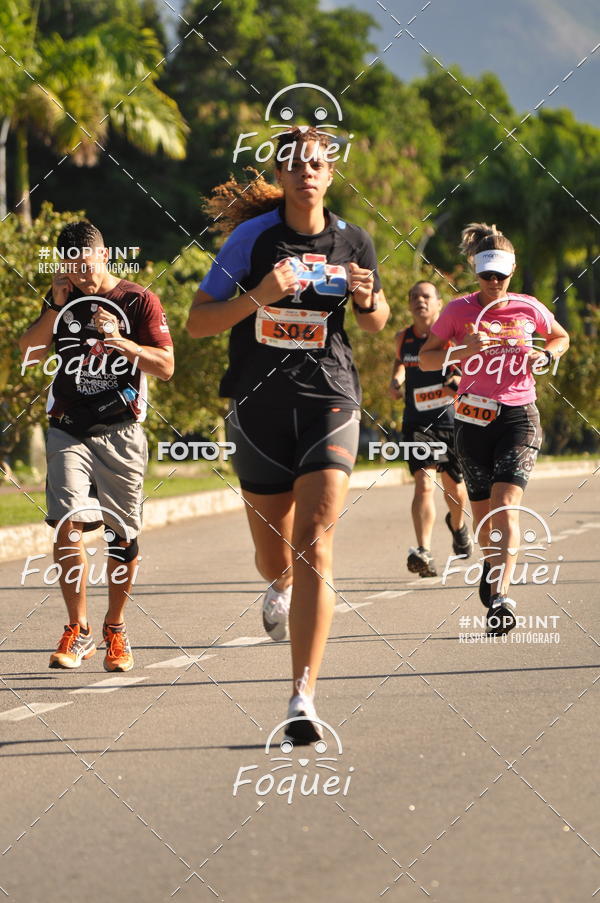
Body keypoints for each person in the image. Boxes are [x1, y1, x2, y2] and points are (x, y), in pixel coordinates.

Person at [186, 127, 389, 743]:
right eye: (296, 163)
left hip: (330, 397)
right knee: (276, 556)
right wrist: (260, 295)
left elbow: (377, 323)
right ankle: (278, 585)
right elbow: (197, 323)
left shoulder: (354, 239)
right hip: (259, 407)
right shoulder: (250, 239)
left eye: (318, 163)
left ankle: (303, 695)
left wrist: (368, 296)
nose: (307, 172)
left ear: (331, 174)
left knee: (315, 543)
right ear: (280, 174)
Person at [19, 221, 174, 671]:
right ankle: (78, 627)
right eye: (71, 268)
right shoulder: (63, 301)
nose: (82, 276)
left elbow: (164, 366)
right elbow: (28, 352)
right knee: (67, 522)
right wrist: (54, 306)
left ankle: (116, 628)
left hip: (120, 429)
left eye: (87, 266)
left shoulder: (137, 300)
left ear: (105, 256)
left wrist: (120, 341)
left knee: (121, 535)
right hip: (67, 426)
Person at [419, 223, 569, 634]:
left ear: (512, 270)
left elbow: (560, 336)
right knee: (485, 518)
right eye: (486, 274)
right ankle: (492, 562)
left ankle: (501, 595)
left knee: (506, 504)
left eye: (501, 274)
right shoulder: (456, 311)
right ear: (475, 270)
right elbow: (427, 360)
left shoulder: (528, 307)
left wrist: (548, 354)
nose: (493, 282)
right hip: (472, 421)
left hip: (519, 416)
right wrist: (459, 351)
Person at [389, 280, 472, 577]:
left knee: (456, 491)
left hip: (451, 422)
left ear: (439, 303)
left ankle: (458, 525)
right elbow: (400, 363)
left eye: (426, 296)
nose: (419, 301)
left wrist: (456, 386)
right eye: (414, 296)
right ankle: (423, 550)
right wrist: (395, 381)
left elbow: (465, 376)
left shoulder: (453, 339)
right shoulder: (403, 338)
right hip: (417, 422)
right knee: (424, 483)